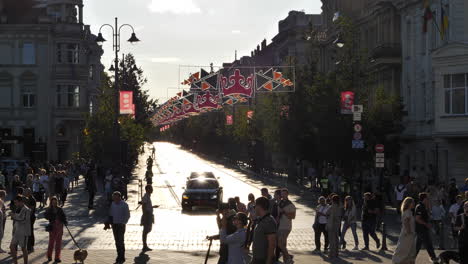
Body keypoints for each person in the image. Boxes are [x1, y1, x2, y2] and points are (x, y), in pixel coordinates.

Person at [105, 191, 130, 264]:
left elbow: (127, 215)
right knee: (117, 241)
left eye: (116, 198)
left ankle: (122, 256)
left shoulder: (124, 205)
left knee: (121, 241)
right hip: (114, 225)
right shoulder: (112, 204)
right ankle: (118, 255)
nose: (114, 199)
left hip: (121, 225)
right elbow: (110, 214)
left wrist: (124, 222)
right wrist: (108, 223)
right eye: (113, 198)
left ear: (119, 197)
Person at [251, 196, 277, 264]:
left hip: (263, 260)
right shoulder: (261, 219)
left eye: (255, 206)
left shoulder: (269, 221)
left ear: (259, 207)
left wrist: (268, 262)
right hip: (257, 258)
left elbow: (272, 244)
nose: (254, 208)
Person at [414, 192, 438, 263]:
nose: (428, 200)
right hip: (421, 229)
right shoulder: (419, 207)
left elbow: (428, 215)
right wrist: (426, 224)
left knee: (417, 246)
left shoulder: (424, 206)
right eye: (427, 198)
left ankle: (411, 259)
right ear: (424, 199)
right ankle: (434, 259)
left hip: (423, 229)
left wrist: (428, 207)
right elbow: (417, 218)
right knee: (429, 245)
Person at [392, 197, 417, 264]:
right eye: (412, 203)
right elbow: (406, 222)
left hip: (409, 233)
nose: (414, 204)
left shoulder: (409, 212)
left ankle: (409, 262)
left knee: (410, 249)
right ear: (408, 204)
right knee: (405, 249)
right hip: (408, 234)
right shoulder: (407, 212)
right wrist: (409, 232)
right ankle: (399, 261)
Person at [44, 196, 67, 262]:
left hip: (60, 227)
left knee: (58, 243)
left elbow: (64, 217)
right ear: (51, 203)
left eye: (55, 202)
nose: (54, 203)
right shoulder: (49, 209)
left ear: (57, 202)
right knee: (51, 243)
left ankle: (57, 257)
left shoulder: (60, 209)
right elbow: (45, 216)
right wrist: (50, 216)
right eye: (53, 202)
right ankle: (49, 256)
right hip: (52, 227)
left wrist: (64, 221)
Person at [10, 195, 31, 264]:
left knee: (23, 248)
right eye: (15, 203)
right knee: (12, 247)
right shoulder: (17, 208)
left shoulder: (27, 210)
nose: (15, 204)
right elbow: (16, 220)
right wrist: (14, 230)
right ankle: (15, 263)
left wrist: (14, 216)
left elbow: (24, 220)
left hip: (24, 232)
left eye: (16, 202)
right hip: (17, 232)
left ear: (21, 202)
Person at [277, 189, 296, 264]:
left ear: (287, 194)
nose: (283, 195)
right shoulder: (280, 203)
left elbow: (293, 216)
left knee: (280, 243)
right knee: (283, 244)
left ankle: (288, 257)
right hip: (279, 226)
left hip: (286, 226)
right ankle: (286, 260)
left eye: (284, 194)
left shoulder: (290, 204)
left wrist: (284, 212)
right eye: (282, 194)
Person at [141, 185, 159, 252]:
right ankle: (144, 246)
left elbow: (147, 206)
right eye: (151, 189)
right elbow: (144, 206)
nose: (152, 190)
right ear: (147, 189)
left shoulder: (148, 196)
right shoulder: (146, 197)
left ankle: (145, 245)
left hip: (149, 215)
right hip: (147, 215)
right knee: (146, 230)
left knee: (148, 229)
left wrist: (153, 207)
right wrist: (145, 215)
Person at [327, 195, 341, 259]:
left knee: (332, 240)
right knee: (336, 239)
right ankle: (336, 253)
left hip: (331, 224)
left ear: (332, 200)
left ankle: (332, 253)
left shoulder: (332, 207)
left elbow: (327, 213)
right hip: (337, 224)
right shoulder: (339, 206)